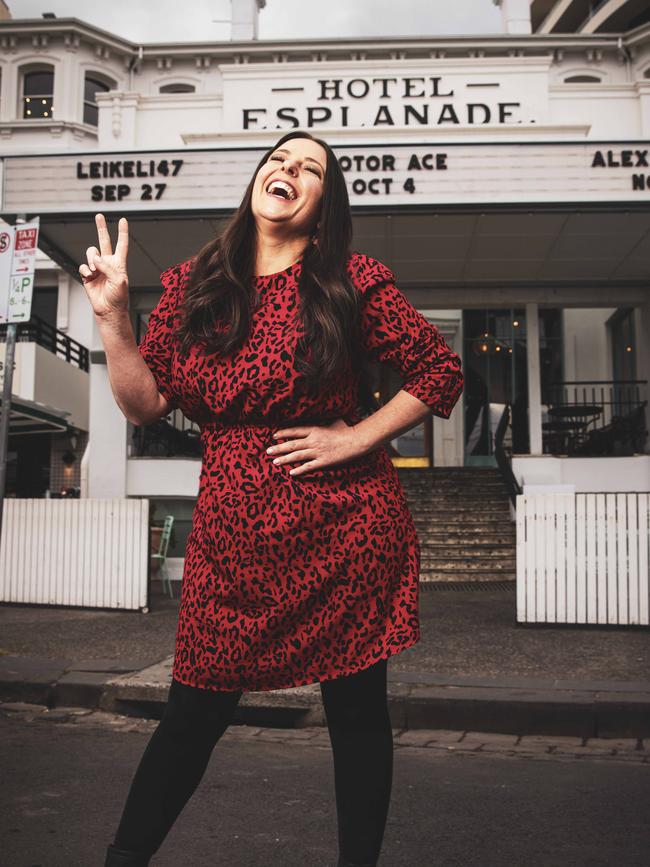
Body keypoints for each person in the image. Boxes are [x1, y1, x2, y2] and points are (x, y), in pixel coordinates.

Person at [79, 130, 463, 867]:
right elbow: (144, 402)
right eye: (280, 158)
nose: (289, 169)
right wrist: (111, 318)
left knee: (353, 713)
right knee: (192, 709)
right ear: (258, 178)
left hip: (345, 529)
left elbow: (438, 369)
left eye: (311, 168)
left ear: (322, 206)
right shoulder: (195, 284)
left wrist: (357, 439)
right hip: (232, 536)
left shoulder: (351, 280)